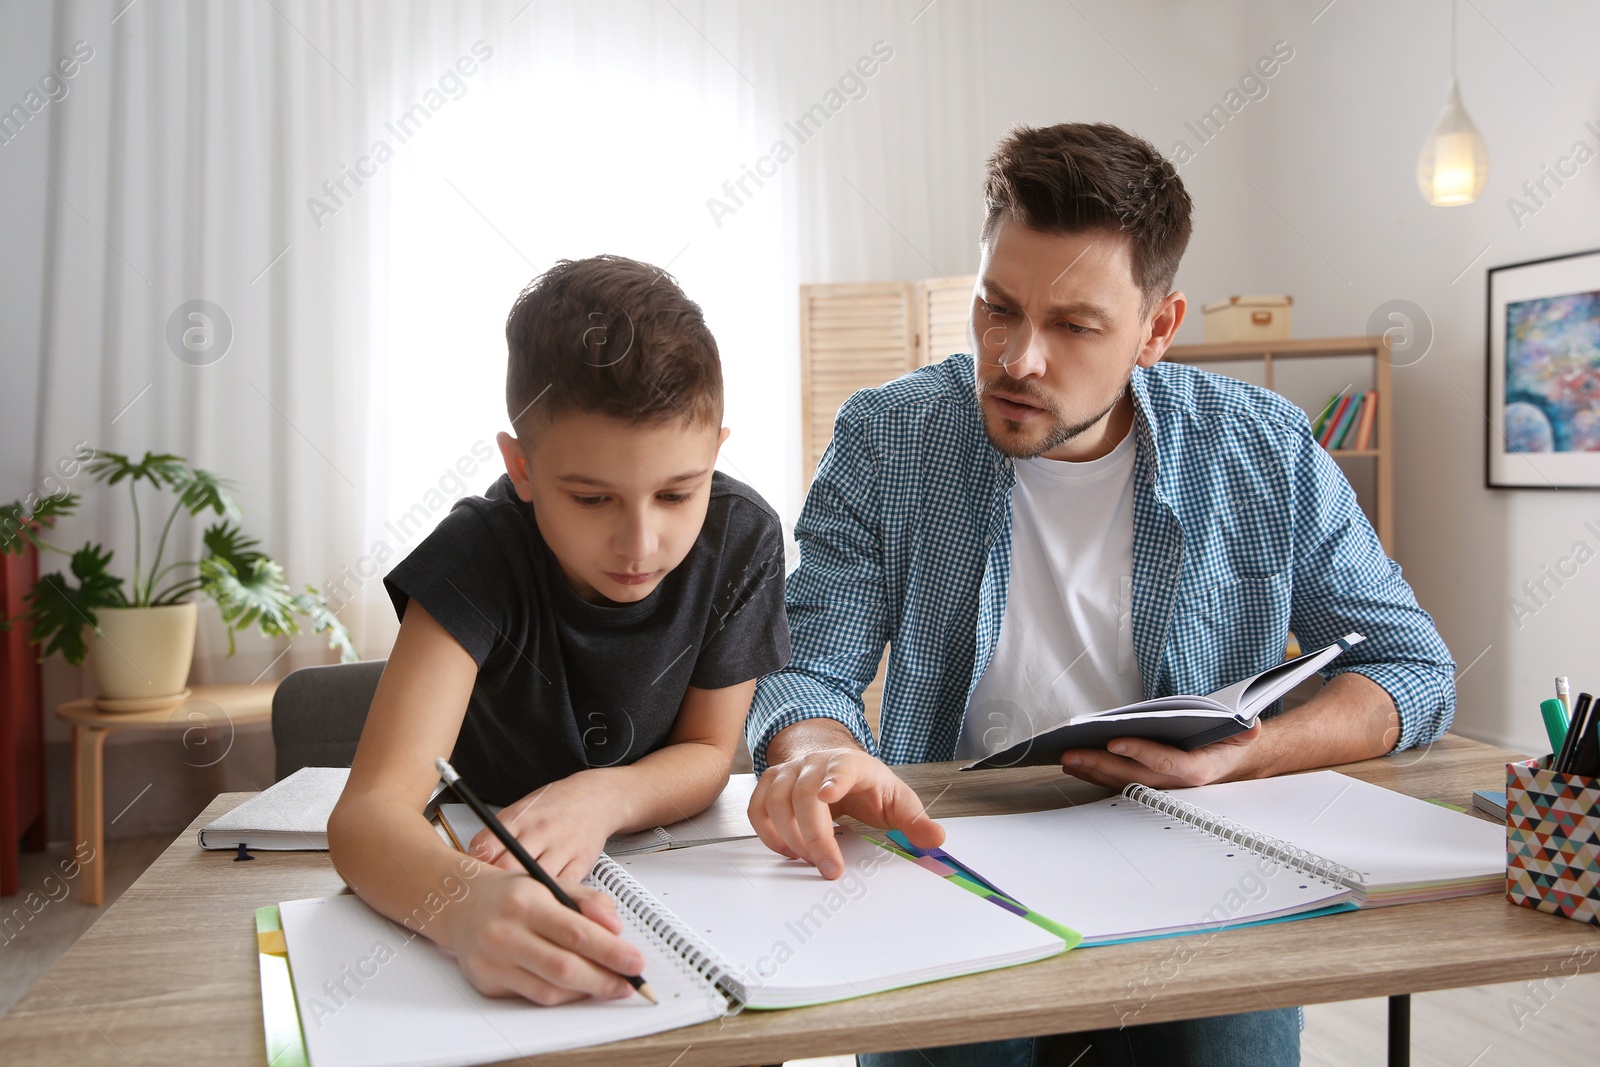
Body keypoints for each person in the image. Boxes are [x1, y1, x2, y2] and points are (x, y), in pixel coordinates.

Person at [746, 123, 1455, 1066]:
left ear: (1157, 329)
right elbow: (808, 673)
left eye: (1074, 325)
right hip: (950, 859)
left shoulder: (1263, 449)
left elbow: (1412, 668)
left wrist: (1247, 756)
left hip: (1201, 869)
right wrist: (819, 755)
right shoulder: (888, 436)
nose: (1018, 357)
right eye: (997, 307)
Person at [329, 254, 790, 1006]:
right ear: (522, 467)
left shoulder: (743, 538)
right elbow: (367, 815)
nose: (640, 543)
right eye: (591, 498)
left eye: (677, 492)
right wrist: (464, 905)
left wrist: (600, 798)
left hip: (671, 878)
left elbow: (710, 750)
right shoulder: (477, 552)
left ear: (715, 450)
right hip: (488, 871)